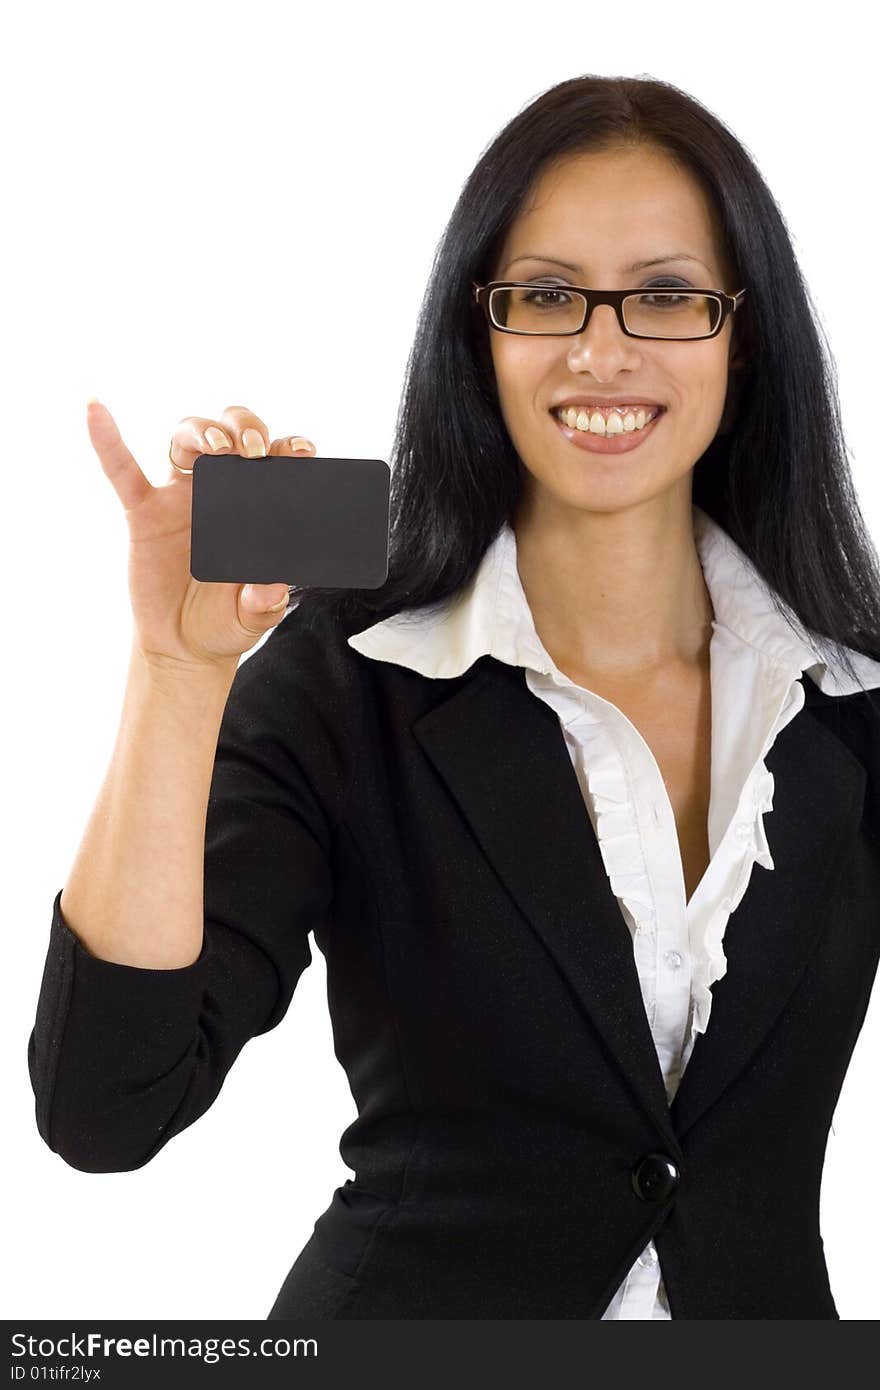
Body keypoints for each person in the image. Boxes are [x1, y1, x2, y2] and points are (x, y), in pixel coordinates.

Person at [28, 73, 880, 1320]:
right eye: (544, 295)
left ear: (740, 332)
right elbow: (106, 1105)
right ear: (476, 330)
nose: (603, 347)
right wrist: (178, 673)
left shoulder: (846, 696)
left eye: (664, 296)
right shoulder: (351, 676)